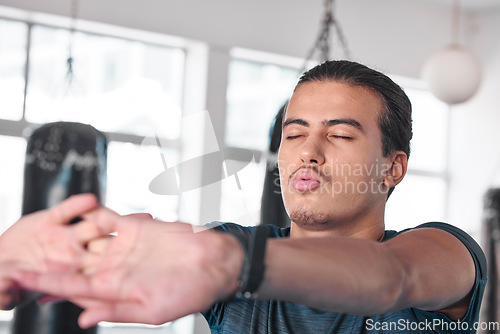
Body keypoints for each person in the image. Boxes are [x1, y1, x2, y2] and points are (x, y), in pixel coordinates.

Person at [10, 60, 487, 333]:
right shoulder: (230, 249)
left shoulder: (445, 252)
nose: (309, 154)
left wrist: (228, 263)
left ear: (393, 167)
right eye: (294, 135)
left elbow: (391, 278)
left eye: (340, 136)